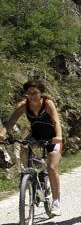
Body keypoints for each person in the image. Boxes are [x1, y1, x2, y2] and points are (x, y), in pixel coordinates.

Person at [0, 80, 63, 215]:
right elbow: (10, 122)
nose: (32, 96)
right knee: (23, 147)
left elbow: (56, 121)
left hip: (52, 137)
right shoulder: (24, 105)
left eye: (35, 93)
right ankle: (30, 176)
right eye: (29, 93)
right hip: (36, 136)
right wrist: (2, 133)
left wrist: (58, 137)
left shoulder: (47, 103)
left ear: (41, 93)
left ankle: (56, 201)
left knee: (52, 167)